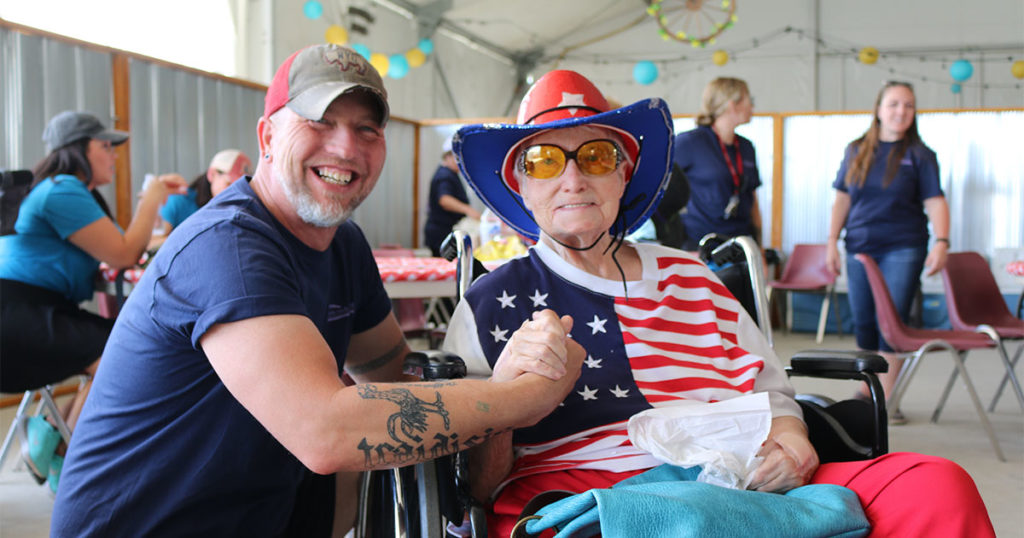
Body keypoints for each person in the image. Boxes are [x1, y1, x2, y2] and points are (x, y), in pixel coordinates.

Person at [50, 44, 583, 538]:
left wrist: (501, 366)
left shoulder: (343, 245)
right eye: (319, 122)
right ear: (267, 138)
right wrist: (514, 399)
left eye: (367, 129)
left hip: (261, 510)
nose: (346, 147)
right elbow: (324, 431)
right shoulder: (228, 246)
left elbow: (395, 376)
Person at [445, 69, 993, 537]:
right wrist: (502, 400)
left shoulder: (692, 276)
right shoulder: (493, 303)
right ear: (520, 185)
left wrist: (792, 441)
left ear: (623, 173)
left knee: (935, 488)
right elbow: (473, 489)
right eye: (543, 161)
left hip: (745, 482)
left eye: (595, 155)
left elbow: (773, 395)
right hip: (590, 494)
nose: (572, 178)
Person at [0, 110, 186, 492]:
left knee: (121, 343)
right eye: (105, 146)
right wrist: (153, 200)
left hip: (35, 309)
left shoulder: (63, 190)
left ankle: (53, 440)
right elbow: (123, 253)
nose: (114, 156)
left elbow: (127, 244)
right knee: (125, 349)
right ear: (78, 149)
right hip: (18, 314)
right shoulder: (62, 189)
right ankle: (64, 450)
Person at [825, 81, 950, 420]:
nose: (901, 111)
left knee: (891, 323)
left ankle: (886, 399)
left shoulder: (921, 155)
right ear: (879, 109)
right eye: (894, 104)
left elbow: (935, 201)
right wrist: (831, 241)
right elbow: (842, 199)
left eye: (908, 105)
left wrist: (942, 242)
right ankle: (867, 390)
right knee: (864, 321)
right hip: (859, 246)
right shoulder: (856, 150)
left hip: (903, 247)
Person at [674, 77, 761, 251]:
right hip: (699, 246)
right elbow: (660, 189)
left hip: (741, 244)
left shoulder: (746, 147)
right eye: (749, 100)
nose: (752, 107)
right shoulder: (689, 143)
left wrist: (760, 247)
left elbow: (753, 201)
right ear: (732, 104)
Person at [159, 149, 252, 232]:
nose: (236, 193)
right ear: (212, 174)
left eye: (241, 187)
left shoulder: (239, 211)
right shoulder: (177, 201)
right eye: (229, 184)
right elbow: (154, 241)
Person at [424, 136, 481, 256]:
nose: (461, 162)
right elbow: (445, 200)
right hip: (441, 233)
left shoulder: (451, 174)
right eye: (458, 157)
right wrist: (468, 210)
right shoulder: (445, 175)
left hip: (444, 232)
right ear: (448, 156)